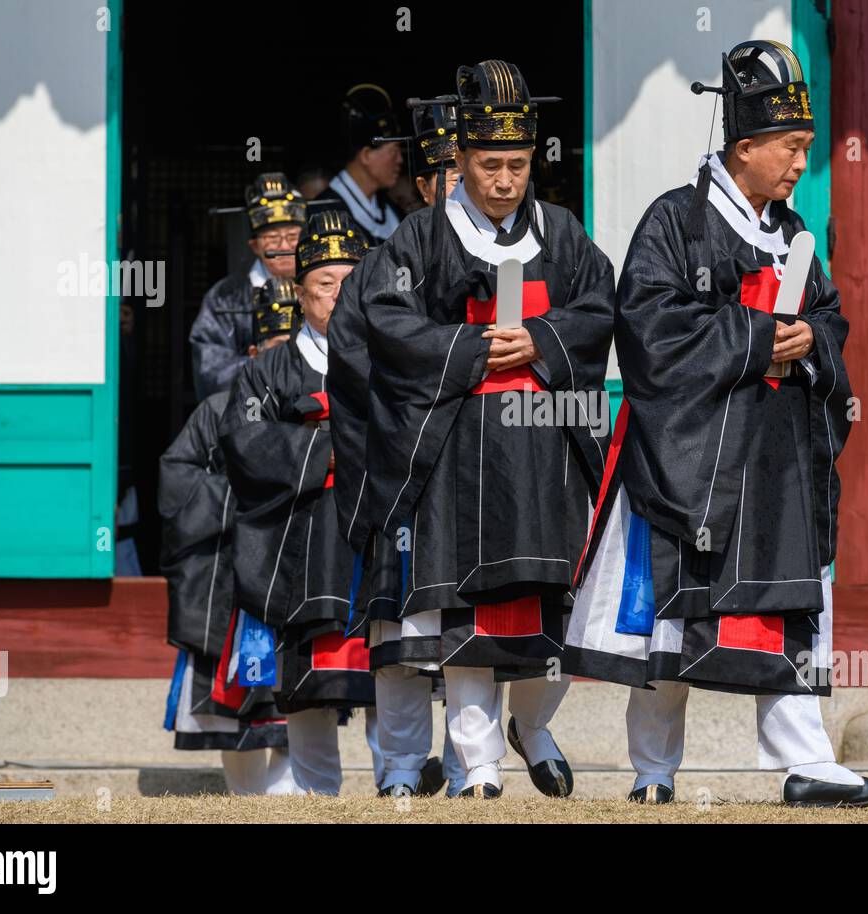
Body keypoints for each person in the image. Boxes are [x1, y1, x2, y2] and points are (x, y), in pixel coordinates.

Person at [564, 40, 868, 808]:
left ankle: (806, 761)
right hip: (694, 458)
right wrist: (753, 337)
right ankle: (652, 772)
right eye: (790, 148)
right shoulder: (673, 222)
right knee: (669, 628)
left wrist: (812, 341)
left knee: (785, 608)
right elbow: (647, 329)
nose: (797, 165)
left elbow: (829, 316)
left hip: (776, 458)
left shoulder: (794, 231)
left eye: (806, 149)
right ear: (744, 146)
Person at [357, 60, 616, 798]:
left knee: (552, 607)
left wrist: (543, 339)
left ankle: (530, 725)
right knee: (469, 614)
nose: (505, 180)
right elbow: (386, 320)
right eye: (490, 164)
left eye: (518, 164)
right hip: (459, 450)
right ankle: (477, 768)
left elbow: (601, 306)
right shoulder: (420, 237)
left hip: (545, 444)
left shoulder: (562, 232)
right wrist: (469, 348)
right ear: (461, 160)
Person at [328, 96, 466, 798]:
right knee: (403, 638)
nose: (459, 183)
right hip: (403, 468)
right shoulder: (385, 263)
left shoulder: (508, 254)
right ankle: (402, 770)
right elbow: (354, 362)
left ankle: (475, 764)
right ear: (423, 183)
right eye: (444, 171)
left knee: (476, 633)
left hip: (476, 475)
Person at [218, 212, 379, 795]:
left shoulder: (393, 357)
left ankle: (401, 782)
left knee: (391, 663)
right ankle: (316, 795)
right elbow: (245, 442)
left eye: (349, 281)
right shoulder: (268, 370)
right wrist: (327, 453)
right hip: (303, 540)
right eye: (324, 284)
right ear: (300, 291)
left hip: (378, 531)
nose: (337, 295)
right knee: (312, 672)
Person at [160, 279, 300, 795]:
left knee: (297, 705)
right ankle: (244, 802)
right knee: (231, 710)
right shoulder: (215, 410)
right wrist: (239, 495)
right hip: (227, 583)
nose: (280, 361)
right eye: (271, 351)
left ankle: (288, 803)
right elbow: (176, 478)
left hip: (294, 577)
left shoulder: (322, 402)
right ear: (251, 351)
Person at [189, 173, 305, 401]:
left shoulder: (325, 286)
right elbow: (210, 372)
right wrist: (262, 360)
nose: (283, 247)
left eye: (292, 236)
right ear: (254, 245)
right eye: (272, 238)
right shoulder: (226, 296)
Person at [312, 84, 404, 243]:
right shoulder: (323, 211)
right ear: (366, 155)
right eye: (394, 151)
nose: (400, 160)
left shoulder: (391, 209)